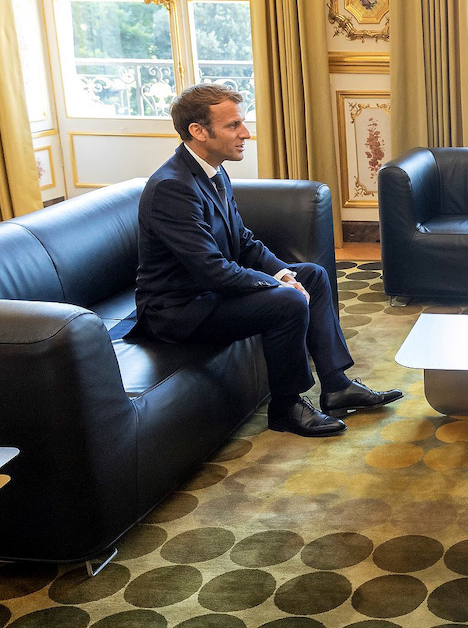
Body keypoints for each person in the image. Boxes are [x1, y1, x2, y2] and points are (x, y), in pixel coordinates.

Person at [133, 84, 402, 437]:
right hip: (181, 310)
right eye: (233, 126)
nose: (245, 133)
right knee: (288, 300)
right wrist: (278, 284)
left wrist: (282, 272)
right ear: (198, 132)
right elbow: (211, 269)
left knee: (313, 276)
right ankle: (286, 406)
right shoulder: (172, 187)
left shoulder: (213, 171)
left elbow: (243, 242)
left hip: (211, 295)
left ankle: (336, 385)